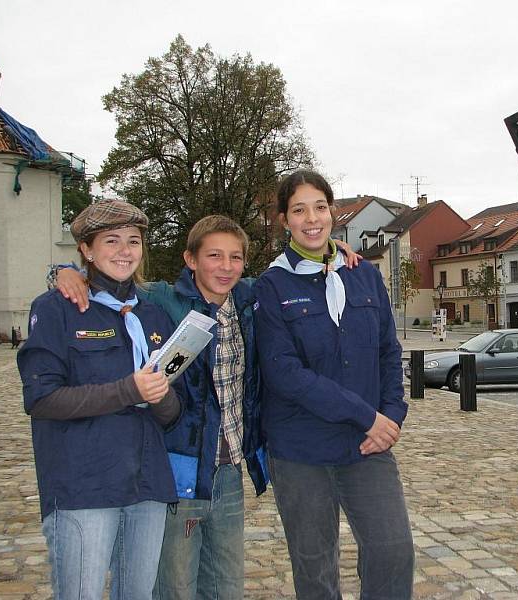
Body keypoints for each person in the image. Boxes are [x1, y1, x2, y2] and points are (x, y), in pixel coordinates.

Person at [54, 215, 361, 600]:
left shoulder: (251, 299)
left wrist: (335, 251)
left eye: (235, 257)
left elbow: (299, 274)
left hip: (230, 468)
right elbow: (113, 280)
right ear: (191, 259)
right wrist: (66, 271)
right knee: (177, 585)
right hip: (179, 466)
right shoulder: (165, 300)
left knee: (225, 584)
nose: (226, 266)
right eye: (214, 255)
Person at [254, 170, 414, 599]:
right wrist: (367, 416)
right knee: (315, 567)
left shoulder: (363, 275)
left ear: (333, 212)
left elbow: (387, 350)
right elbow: (285, 373)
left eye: (320, 207)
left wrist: (392, 416)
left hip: (368, 444)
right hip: (301, 449)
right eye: (299, 210)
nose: (312, 218)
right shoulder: (272, 286)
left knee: (393, 551)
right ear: (284, 220)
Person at [17, 200, 183, 600]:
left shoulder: (153, 315)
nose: (125, 250)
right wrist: (129, 390)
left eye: (133, 241)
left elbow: (173, 414)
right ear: (86, 251)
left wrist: (160, 398)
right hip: (84, 487)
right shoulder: (57, 309)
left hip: (147, 484)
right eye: (112, 241)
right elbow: (41, 398)